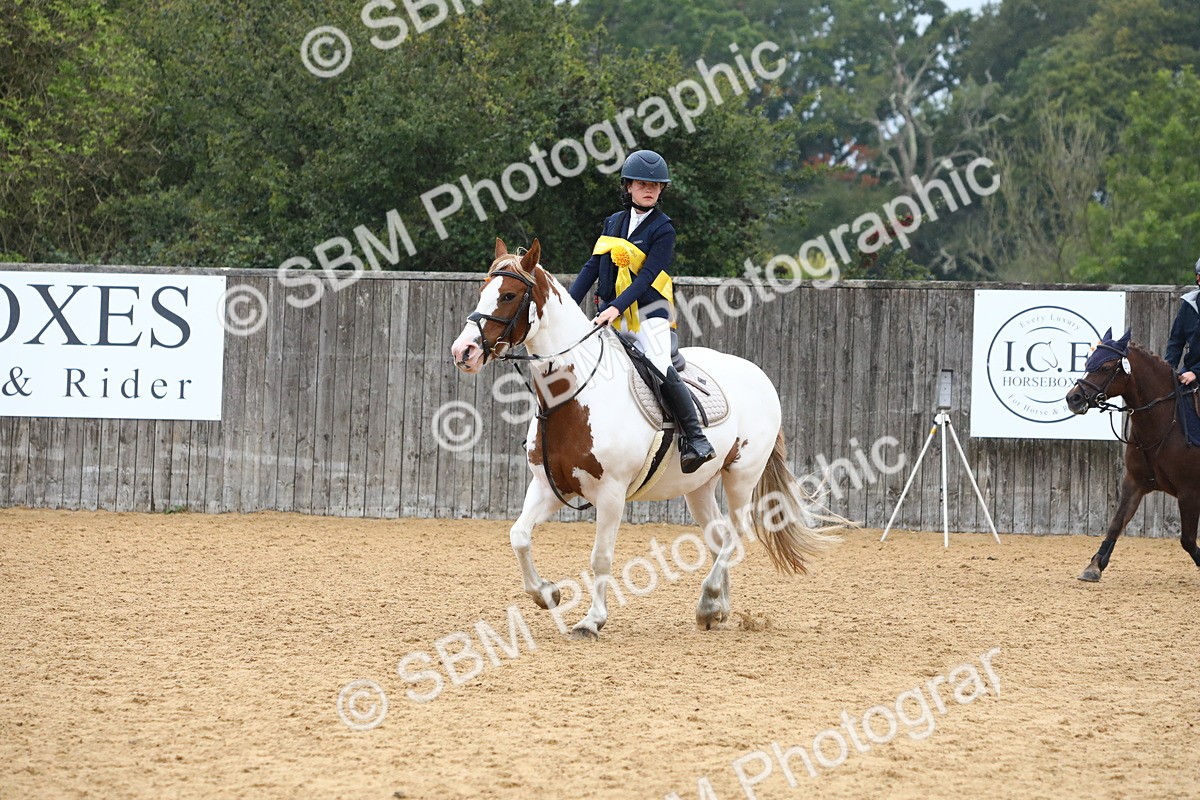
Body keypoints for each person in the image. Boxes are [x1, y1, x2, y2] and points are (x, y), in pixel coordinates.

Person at [569, 150, 716, 474]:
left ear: (662, 190)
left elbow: (648, 276)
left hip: (650, 316)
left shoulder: (663, 229)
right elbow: (593, 265)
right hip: (610, 313)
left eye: (655, 185)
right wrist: (568, 304)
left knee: (661, 365)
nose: (649, 189)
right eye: (642, 183)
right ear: (628, 186)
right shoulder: (613, 222)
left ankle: (696, 439)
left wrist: (615, 309)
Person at [1164, 256, 1200, 386]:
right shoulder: (1188, 305)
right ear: (1198, 279)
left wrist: (1196, 372)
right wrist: (1167, 371)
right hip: (1190, 370)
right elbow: (1176, 341)